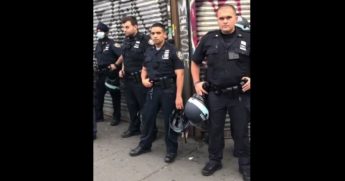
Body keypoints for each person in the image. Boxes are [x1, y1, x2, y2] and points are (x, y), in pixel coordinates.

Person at [190, 5, 251, 181]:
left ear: (235, 17)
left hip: (240, 95)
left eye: (228, 17)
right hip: (216, 95)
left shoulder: (247, 38)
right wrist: (196, 82)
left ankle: (245, 164)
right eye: (221, 18)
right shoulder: (209, 39)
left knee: (241, 131)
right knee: (214, 130)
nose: (225, 21)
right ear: (217, 19)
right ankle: (214, 160)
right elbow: (195, 62)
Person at [129, 23, 184, 163]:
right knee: (147, 118)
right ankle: (144, 145)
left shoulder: (173, 51)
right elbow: (144, 68)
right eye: (152, 33)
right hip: (153, 90)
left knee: (169, 122)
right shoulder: (148, 50)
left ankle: (171, 150)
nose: (155, 36)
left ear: (165, 34)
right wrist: (143, 79)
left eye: (158, 33)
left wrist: (178, 96)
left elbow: (180, 75)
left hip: (168, 91)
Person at [113, 16, 157, 138]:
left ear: (135, 26)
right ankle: (134, 128)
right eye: (123, 27)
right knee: (131, 106)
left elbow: (151, 59)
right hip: (127, 80)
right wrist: (122, 69)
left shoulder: (145, 40)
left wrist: (146, 77)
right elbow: (125, 56)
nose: (124, 30)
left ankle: (151, 132)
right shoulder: (126, 40)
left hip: (139, 80)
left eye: (127, 27)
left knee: (145, 107)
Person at [94, 22, 122, 126]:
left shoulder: (112, 44)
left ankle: (116, 117)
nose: (98, 33)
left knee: (115, 97)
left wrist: (115, 65)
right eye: (97, 31)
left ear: (106, 32)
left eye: (100, 31)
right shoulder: (98, 45)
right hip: (100, 74)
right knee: (99, 96)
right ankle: (99, 116)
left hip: (111, 74)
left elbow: (122, 55)